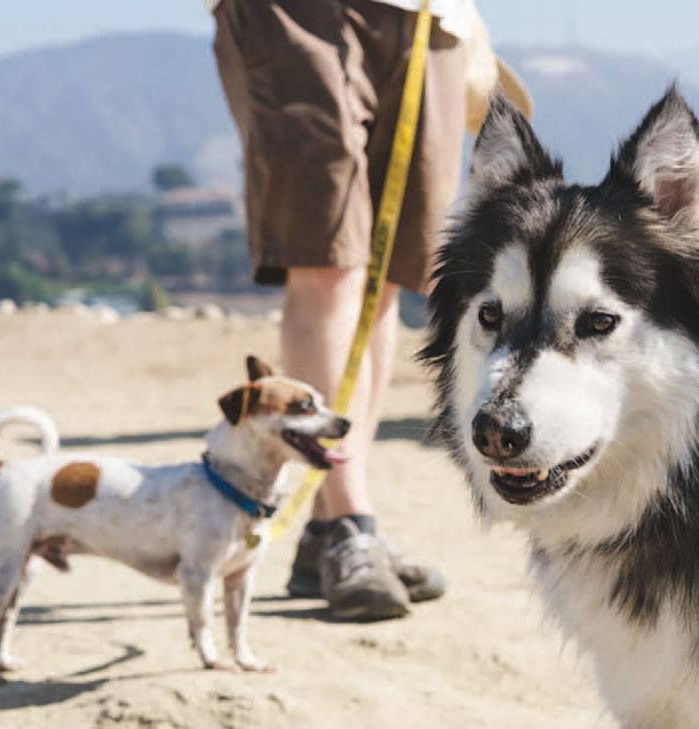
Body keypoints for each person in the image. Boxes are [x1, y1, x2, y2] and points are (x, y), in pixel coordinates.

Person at [208, 0, 501, 620]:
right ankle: (348, 523)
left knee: (388, 275)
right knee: (330, 261)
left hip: (433, 16)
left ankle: (332, 529)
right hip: (296, 11)